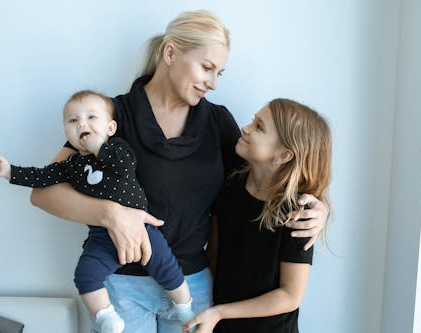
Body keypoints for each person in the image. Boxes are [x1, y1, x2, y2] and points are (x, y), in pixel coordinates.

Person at [30, 10, 329, 333]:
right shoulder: (112, 117)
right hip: (123, 288)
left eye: (220, 74)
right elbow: (43, 192)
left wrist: (319, 205)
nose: (213, 83)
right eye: (206, 68)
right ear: (170, 52)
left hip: (193, 288)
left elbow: (265, 181)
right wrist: (110, 215)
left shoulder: (219, 124)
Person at [0, 90, 196, 333]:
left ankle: (184, 307)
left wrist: (99, 148)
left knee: (167, 268)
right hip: (101, 236)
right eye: (72, 120)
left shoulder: (119, 148)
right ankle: (106, 316)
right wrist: (9, 172)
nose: (82, 124)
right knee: (84, 275)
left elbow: (124, 165)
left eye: (91, 117)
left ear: (110, 127)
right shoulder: (71, 165)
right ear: (67, 132)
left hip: (142, 229)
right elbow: (41, 177)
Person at [182, 98, 332, 333]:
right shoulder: (230, 186)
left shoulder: (299, 212)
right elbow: (214, 257)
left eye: (259, 126)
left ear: (284, 155)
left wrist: (221, 312)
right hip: (219, 325)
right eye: (254, 120)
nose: (245, 127)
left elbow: (290, 296)